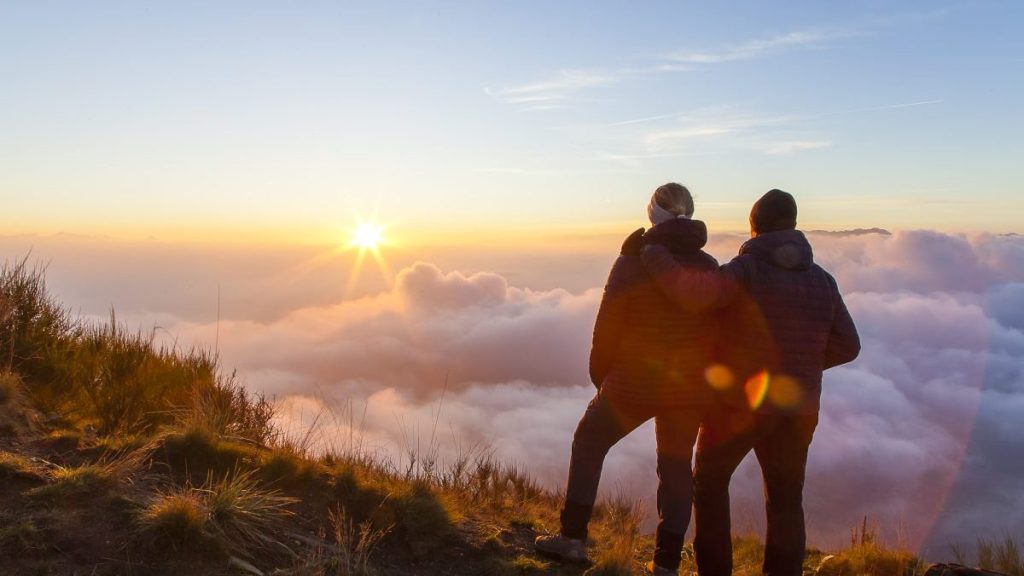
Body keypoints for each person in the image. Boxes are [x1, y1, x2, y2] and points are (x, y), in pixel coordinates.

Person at [637, 189, 861, 576]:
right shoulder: (822, 280)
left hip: (738, 405)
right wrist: (801, 367)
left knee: (709, 482)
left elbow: (694, 295)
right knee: (786, 499)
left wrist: (654, 255)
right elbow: (849, 345)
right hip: (798, 408)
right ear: (793, 225)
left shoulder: (746, 270)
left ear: (754, 226)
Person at [534, 183, 720, 575]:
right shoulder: (709, 266)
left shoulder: (633, 261)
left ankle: (572, 539)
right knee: (676, 469)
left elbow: (608, 326)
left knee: (589, 441)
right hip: (688, 389)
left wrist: (602, 378)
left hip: (632, 382)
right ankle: (666, 564)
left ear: (653, 212)